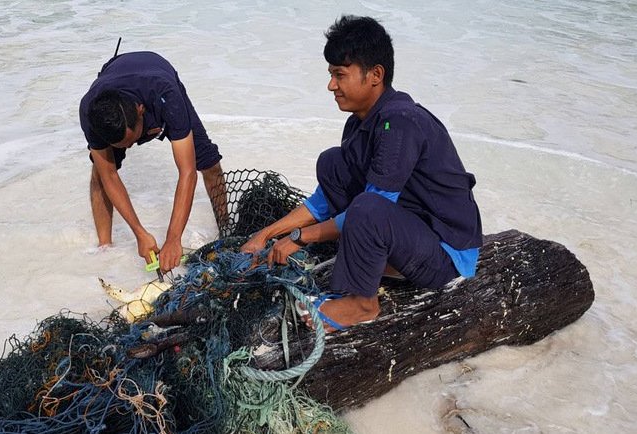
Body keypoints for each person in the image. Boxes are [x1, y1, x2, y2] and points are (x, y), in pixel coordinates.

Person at [241, 16, 482, 332]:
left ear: (375, 75)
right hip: (414, 229)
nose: (331, 86)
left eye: (340, 75)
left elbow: (369, 209)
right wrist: (268, 234)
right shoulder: (360, 122)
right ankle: (381, 263)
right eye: (330, 75)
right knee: (332, 163)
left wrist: (300, 238)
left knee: (367, 208)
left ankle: (362, 305)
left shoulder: (399, 123)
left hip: (447, 255)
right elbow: (322, 202)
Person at [79, 51, 226, 273]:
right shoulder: (91, 112)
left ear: (141, 112)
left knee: (209, 164)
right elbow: (109, 176)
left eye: (131, 140)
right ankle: (104, 247)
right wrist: (139, 233)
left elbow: (187, 172)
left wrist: (173, 239)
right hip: (113, 82)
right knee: (100, 173)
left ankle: (226, 230)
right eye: (121, 146)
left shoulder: (166, 96)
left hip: (159, 75)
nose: (129, 148)